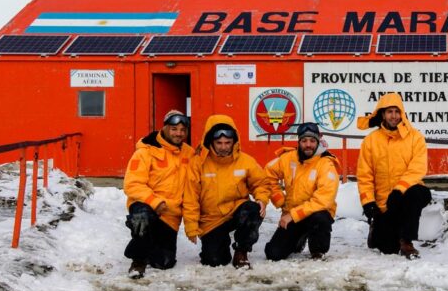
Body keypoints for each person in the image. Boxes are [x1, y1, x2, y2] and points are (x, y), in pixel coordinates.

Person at [182, 114, 271, 268]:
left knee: (253, 210)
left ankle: (241, 251)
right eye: (219, 143)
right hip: (211, 220)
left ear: (234, 142)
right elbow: (191, 196)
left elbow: (261, 183)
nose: (223, 147)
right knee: (215, 261)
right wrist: (191, 226)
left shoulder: (246, 161)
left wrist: (261, 199)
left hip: (236, 211)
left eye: (227, 143)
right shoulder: (197, 163)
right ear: (211, 141)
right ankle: (217, 244)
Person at [356, 93, 432, 259]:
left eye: (397, 111)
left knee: (415, 194)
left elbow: (417, 168)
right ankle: (377, 228)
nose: (394, 116)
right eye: (390, 111)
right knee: (387, 248)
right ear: (382, 114)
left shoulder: (415, 137)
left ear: (402, 113)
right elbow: (365, 175)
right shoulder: (370, 141)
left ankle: (407, 242)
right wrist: (368, 202)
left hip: (409, 193)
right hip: (385, 203)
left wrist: (399, 190)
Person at [123, 109, 194, 278]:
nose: (178, 133)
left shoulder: (190, 154)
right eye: (174, 128)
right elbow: (132, 184)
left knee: (164, 263)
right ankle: (138, 260)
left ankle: (148, 243)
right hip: (146, 205)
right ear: (164, 128)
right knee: (142, 218)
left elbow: (193, 188)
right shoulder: (145, 152)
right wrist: (155, 202)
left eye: (182, 130)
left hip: (170, 214)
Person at [264, 122, 340, 261]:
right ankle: (299, 238)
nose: (308, 145)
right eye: (304, 141)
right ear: (298, 141)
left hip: (314, 214)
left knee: (321, 217)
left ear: (319, 140)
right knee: (273, 253)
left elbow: (323, 200)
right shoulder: (288, 158)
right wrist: (278, 197)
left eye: (312, 140)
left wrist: (292, 215)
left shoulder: (326, 164)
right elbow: (267, 174)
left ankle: (318, 250)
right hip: (292, 214)